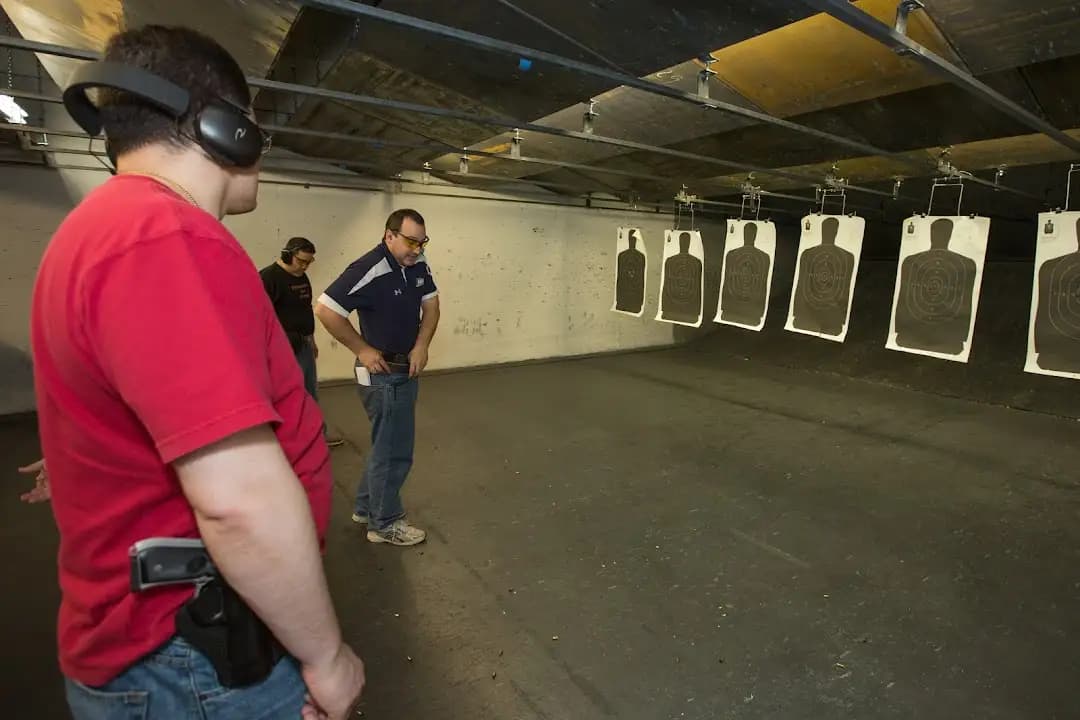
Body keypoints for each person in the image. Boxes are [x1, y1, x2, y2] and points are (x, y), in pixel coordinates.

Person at [31, 24, 364, 719]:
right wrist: (327, 656)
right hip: (194, 658)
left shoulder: (104, 230)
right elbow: (237, 501)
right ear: (226, 129)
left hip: (161, 653)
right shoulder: (166, 237)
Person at [315, 209, 440, 547]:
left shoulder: (416, 264)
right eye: (411, 241)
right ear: (390, 235)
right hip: (383, 375)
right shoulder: (371, 268)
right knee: (395, 450)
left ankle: (367, 507)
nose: (417, 248)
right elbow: (327, 308)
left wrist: (421, 345)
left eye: (422, 241)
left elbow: (431, 304)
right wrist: (363, 349)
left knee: (385, 445)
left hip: (405, 369)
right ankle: (384, 523)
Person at [260, 236, 344, 447]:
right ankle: (289, 438)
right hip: (283, 347)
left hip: (304, 343)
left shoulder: (301, 277)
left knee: (309, 391)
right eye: (301, 261)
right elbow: (260, 316)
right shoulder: (268, 278)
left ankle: (315, 433)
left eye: (309, 262)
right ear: (288, 255)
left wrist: (312, 339)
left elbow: (305, 310)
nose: (305, 266)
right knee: (290, 393)